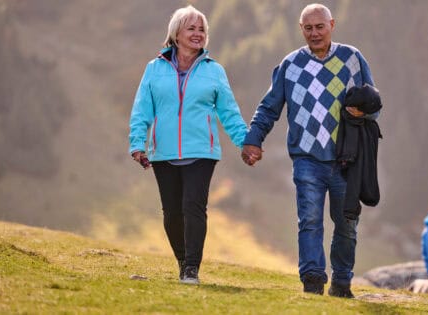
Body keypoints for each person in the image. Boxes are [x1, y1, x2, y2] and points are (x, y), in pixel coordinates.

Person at [241, 3, 378, 298]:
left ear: (332, 24)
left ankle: (342, 283)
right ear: (301, 29)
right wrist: (254, 139)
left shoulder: (352, 59)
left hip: (347, 159)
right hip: (307, 158)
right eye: (308, 28)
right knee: (310, 221)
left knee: (346, 226)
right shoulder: (291, 65)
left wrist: (361, 113)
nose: (314, 33)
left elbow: (374, 103)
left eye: (319, 27)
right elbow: (269, 107)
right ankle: (313, 283)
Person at [128, 5, 248, 285]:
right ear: (176, 34)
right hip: (163, 151)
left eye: (202, 29)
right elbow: (141, 109)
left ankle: (192, 268)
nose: (198, 34)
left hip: (201, 151)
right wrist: (137, 143)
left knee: (193, 207)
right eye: (191, 28)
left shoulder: (214, 70)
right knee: (171, 213)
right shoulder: (154, 69)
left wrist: (246, 143)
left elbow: (229, 112)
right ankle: (182, 260)